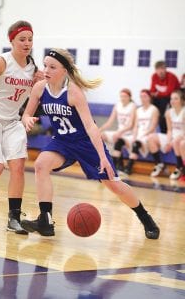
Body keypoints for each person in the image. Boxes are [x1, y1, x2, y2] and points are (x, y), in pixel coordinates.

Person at [20, 48, 160, 240]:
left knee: (114, 185)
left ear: (64, 71)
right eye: (45, 65)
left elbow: (91, 127)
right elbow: (27, 113)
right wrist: (27, 119)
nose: (46, 69)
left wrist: (103, 156)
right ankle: (45, 220)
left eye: (52, 67)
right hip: (62, 141)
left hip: (86, 143)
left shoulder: (74, 93)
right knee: (41, 164)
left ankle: (145, 218)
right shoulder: (39, 88)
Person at [0, 20, 42, 233]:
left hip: (12, 122)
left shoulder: (33, 69)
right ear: (12, 40)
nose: (27, 43)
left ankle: (14, 218)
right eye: (22, 39)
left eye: (30, 39)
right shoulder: (1, 62)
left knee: (18, 167)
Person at [148, 89, 185, 178]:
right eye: (171, 99)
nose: (172, 101)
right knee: (151, 137)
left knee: (177, 141)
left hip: (182, 136)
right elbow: (169, 130)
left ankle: (179, 167)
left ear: (182, 100)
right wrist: (168, 142)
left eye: (176, 98)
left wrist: (173, 141)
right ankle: (159, 164)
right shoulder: (168, 112)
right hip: (173, 136)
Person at [122, 90, 159, 175]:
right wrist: (134, 136)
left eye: (145, 96)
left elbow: (153, 126)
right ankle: (118, 166)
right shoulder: (138, 110)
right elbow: (135, 127)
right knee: (121, 141)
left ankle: (128, 168)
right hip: (139, 135)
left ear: (149, 97)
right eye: (141, 96)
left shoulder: (154, 109)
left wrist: (141, 136)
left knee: (136, 143)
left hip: (149, 135)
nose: (142, 98)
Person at [99, 88, 136, 171]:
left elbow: (130, 125)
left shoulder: (133, 106)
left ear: (129, 97)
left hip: (128, 133)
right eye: (121, 96)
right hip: (119, 132)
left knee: (117, 138)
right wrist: (99, 129)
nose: (123, 98)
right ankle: (107, 159)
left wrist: (119, 132)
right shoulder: (117, 105)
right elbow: (110, 121)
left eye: (125, 96)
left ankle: (117, 164)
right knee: (101, 136)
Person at [150, 60, 180, 133]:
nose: (161, 71)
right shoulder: (154, 76)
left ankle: (164, 128)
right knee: (151, 101)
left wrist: (158, 93)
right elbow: (152, 91)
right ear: (156, 70)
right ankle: (152, 119)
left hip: (173, 97)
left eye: (163, 69)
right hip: (162, 97)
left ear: (165, 69)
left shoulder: (171, 77)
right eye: (159, 69)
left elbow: (169, 92)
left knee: (163, 104)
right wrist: (156, 94)